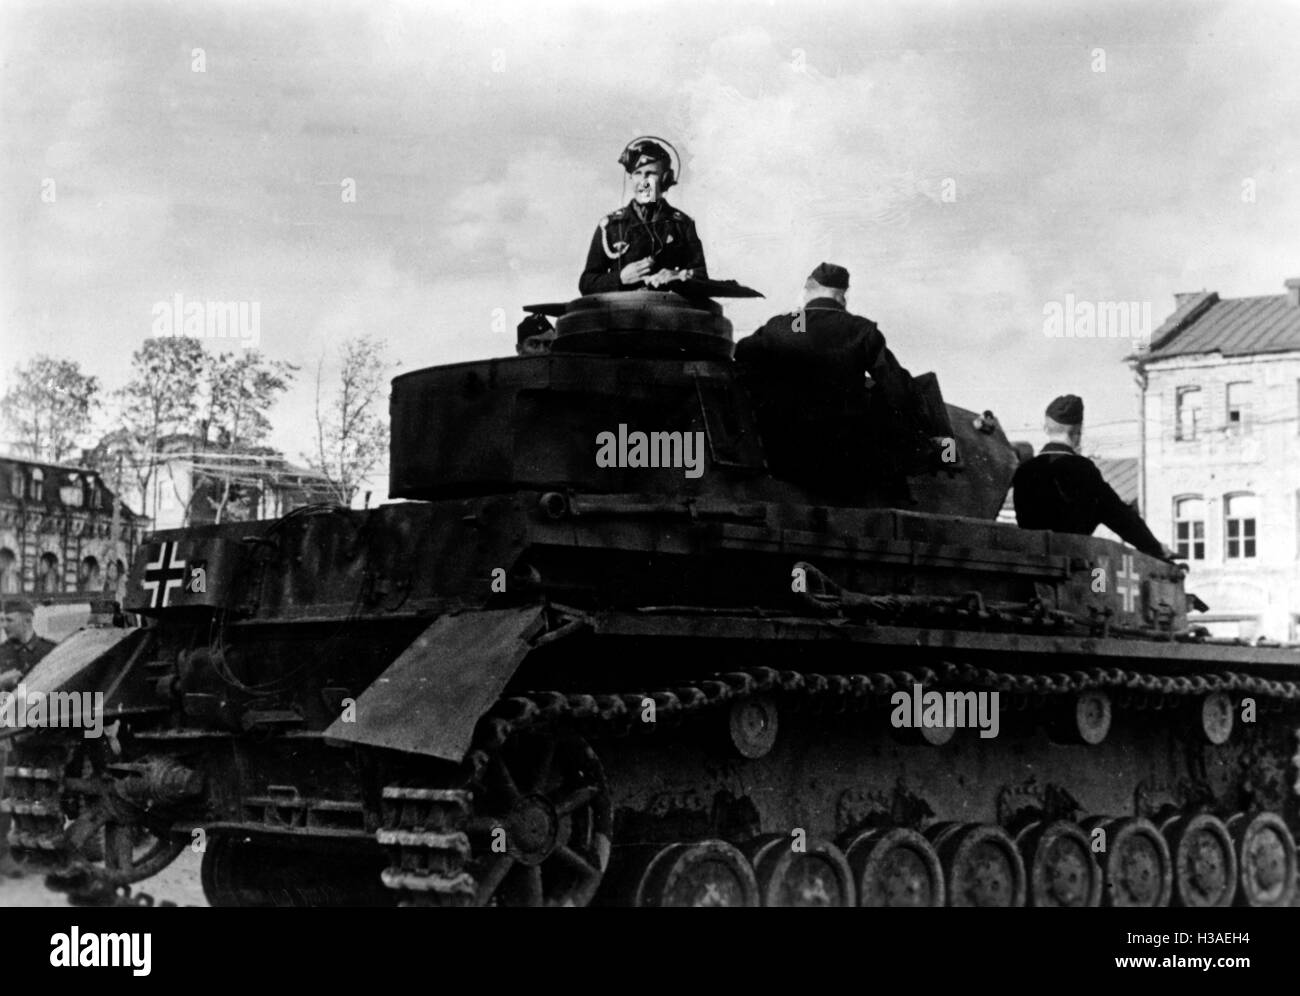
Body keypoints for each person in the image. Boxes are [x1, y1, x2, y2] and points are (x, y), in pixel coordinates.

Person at [734, 262, 930, 494]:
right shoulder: (861, 330)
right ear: (843, 297)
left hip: (782, 456)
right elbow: (898, 390)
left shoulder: (787, 324)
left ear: (807, 290)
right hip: (846, 462)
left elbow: (743, 353)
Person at [1012, 395, 1170, 558]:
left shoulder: (1024, 470)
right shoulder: (1082, 469)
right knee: (1101, 577)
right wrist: (1155, 548)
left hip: (1031, 563)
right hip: (1076, 567)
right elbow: (1119, 516)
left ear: (1045, 428)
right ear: (1079, 431)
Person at [579, 137, 708, 295]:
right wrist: (620, 278)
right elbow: (586, 283)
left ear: (665, 178)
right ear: (631, 178)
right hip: (621, 314)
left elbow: (702, 276)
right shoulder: (611, 226)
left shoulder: (682, 225)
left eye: (650, 173)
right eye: (638, 173)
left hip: (668, 314)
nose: (643, 181)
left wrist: (678, 276)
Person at [0, 599, 56, 878]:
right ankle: (4, 856)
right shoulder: (1, 654)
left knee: (42, 795)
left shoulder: (51, 652)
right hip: (9, 739)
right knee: (6, 795)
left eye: (8, 619)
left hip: (44, 739)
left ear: (26, 619)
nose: (3, 624)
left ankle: (43, 854)